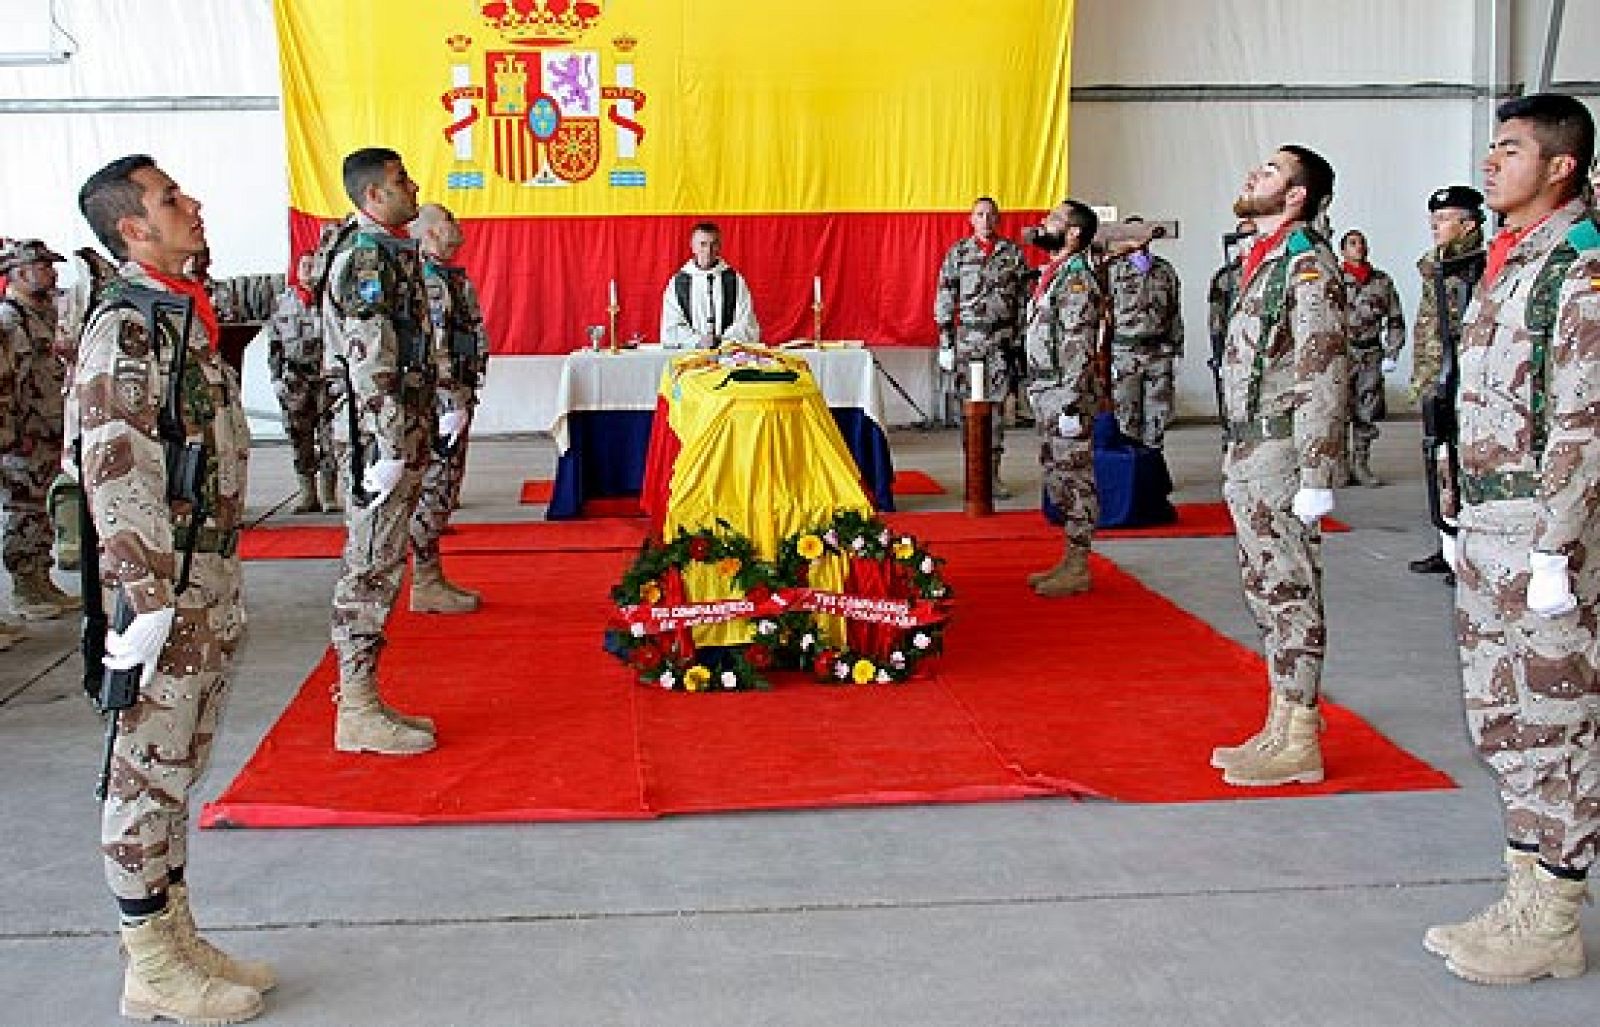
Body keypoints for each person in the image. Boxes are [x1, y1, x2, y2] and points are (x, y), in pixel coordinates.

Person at [75, 154, 269, 1023]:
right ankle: (149, 959)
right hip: (162, 591)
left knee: (176, 766)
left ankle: (176, 931)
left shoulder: (177, 314)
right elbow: (115, 466)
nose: (191, 204)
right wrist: (145, 598)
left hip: (201, 577)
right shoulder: (127, 326)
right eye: (169, 199)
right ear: (133, 228)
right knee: (142, 773)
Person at [1423, 92, 1599, 987]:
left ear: (1560, 165)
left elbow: (1582, 420)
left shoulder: (1581, 265)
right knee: (1501, 721)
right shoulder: (1507, 260)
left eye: (1509, 149)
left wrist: (1554, 553)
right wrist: (1454, 515)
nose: (1489, 163)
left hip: (1541, 533)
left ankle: (1557, 915)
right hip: (1489, 526)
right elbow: (1467, 405)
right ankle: (1523, 889)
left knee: (1555, 721)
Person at [1208, 145, 1349, 787]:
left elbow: (1323, 369)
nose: (1250, 175)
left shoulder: (1307, 264)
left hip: (1281, 452)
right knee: (1265, 589)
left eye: (1268, 171)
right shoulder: (1263, 262)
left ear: (1296, 196)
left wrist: (1318, 473)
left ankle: (1299, 737)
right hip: (1248, 448)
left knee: (1289, 589)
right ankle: (1281, 719)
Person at [321, 147, 439, 755]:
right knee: (368, 566)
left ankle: (365, 698)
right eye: (400, 181)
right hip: (376, 437)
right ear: (373, 196)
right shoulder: (364, 256)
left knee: (383, 561)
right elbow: (372, 360)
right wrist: (389, 444)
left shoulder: (387, 249)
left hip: (394, 429)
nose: (413, 186)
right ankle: (357, 709)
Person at [1021, 199, 1104, 597]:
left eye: (1053, 219)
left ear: (1074, 233)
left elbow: (1079, 345)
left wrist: (1071, 401)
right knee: (1058, 475)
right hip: (1048, 392)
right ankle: (1069, 558)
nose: (1042, 223)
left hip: (1065, 394)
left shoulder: (1076, 280)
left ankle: (1079, 564)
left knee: (1074, 478)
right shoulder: (1054, 274)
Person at [406, 201, 486, 614]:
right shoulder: (430, 281)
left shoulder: (446, 277)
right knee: (434, 491)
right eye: (449, 219)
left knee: (445, 490)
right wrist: (450, 401)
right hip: (440, 406)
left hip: (453, 400)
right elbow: (435, 349)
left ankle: (431, 575)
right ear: (432, 232)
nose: (458, 225)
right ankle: (424, 581)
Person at [1407, 186, 1486, 582]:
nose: (1435, 226)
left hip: (1462, 384)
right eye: (1433, 219)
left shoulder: (1477, 266)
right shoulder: (1437, 264)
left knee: (1460, 467)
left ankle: (1464, 553)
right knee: (1440, 468)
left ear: (1468, 224)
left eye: (1444, 219)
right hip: (1437, 379)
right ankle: (1446, 545)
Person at [0, 237, 81, 621]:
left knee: (39, 509)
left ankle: (41, 579)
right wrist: (13, 435)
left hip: (49, 430)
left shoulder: (45, 315)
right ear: (18, 273)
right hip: (23, 437)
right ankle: (25, 587)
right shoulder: (9, 321)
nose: (52, 273)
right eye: (43, 266)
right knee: (22, 511)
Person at [934, 197, 1031, 497]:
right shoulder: (958, 254)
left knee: (998, 411)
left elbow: (1024, 300)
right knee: (971, 412)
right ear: (971, 219)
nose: (985, 220)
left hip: (1001, 343)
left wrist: (1022, 341)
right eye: (980, 215)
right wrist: (945, 341)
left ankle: (993, 475)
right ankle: (974, 475)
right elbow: (945, 295)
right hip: (969, 345)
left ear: (998, 220)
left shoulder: (1012, 254)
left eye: (991, 215)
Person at [266, 253, 339, 514]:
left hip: (326, 377)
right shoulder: (281, 303)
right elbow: (275, 345)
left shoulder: (331, 299)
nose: (308, 271)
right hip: (295, 379)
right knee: (300, 437)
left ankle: (329, 494)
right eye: (303, 266)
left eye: (312, 266)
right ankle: (308, 495)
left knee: (330, 437)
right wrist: (276, 378)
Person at [1105, 215, 1184, 449]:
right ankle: (1131, 472)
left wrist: (1176, 349)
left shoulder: (1164, 270)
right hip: (1124, 351)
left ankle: (1152, 471)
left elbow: (1174, 312)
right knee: (1126, 415)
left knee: (1157, 416)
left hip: (1158, 350)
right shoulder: (1112, 269)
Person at [1337, 228, 1406, 486]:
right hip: (1343, 353)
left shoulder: (1381, 282)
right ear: (1343, 250)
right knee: (1339, 410)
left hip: (1370, 353)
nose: (1359, 247)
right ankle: (1340, 466)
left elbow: (1395, 318)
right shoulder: (1334, 278)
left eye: (1362, 243)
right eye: (1353, 243)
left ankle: (1361, 463)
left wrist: (1392, 352)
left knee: (1366, 410)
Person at [659, 221, 760, 348]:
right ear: (692, 246)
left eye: (713, 244)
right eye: (703, 244)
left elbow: (746, 323)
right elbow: (671, 326)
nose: (708, 250)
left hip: (728, 355)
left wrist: (722, 340)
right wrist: (697, 341)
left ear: (720, 246)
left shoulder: (734, 280)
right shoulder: (678, 283)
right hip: (690, 356)